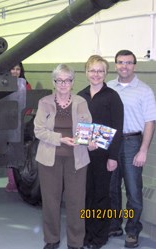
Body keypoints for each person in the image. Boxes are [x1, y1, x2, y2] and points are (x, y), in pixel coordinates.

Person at [34, 64, 92, 249]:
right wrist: (61, 139)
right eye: (59, 80)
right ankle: (51, 239)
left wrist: (88, 140)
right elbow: (39, 131)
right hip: (49, 158)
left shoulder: (81, 102)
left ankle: (76, 242)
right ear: (54, 82)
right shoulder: (44, 102)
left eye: (67, 80)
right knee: (51, 201)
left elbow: (87, 128)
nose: (63, 84)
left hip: (77, 159)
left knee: (77, 202)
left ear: (73, 82)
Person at [107, 50, 156, 248]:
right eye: (120, 62)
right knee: (111, 188)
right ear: (115, 65)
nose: (124, 66)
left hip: (132, 142)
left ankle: (133, 230)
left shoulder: (144, 90)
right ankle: (114, 224)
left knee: (134, 190)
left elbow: (150, 122)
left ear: (134, 65)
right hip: (111, 142)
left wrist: (143, 149)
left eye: (128, 62)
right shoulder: (108, 87)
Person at [77, 55, 124, 249]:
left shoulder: (112, 97)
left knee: (101, 196)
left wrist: (113, 157)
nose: (96, 74)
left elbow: (117, 127)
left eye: (100, 71)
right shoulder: (80, 96)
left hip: (104, 156)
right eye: (92, 70)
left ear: (105, 73)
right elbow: (77, 124)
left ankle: (99, 236)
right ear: (86, 72)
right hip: (84, 153)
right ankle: (86, 234)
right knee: (86, 194)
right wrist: (85, 142)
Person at [5, 62, 32, 193]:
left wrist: (23, 118)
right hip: (7, 122)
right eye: (12, 69)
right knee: (10, 152)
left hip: (21, 122)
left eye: (18, 69)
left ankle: (19, 180)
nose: (15, 72)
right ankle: (12, 181)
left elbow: (30, 103)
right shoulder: (3, 84)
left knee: (19, 152)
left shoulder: (25, 85)